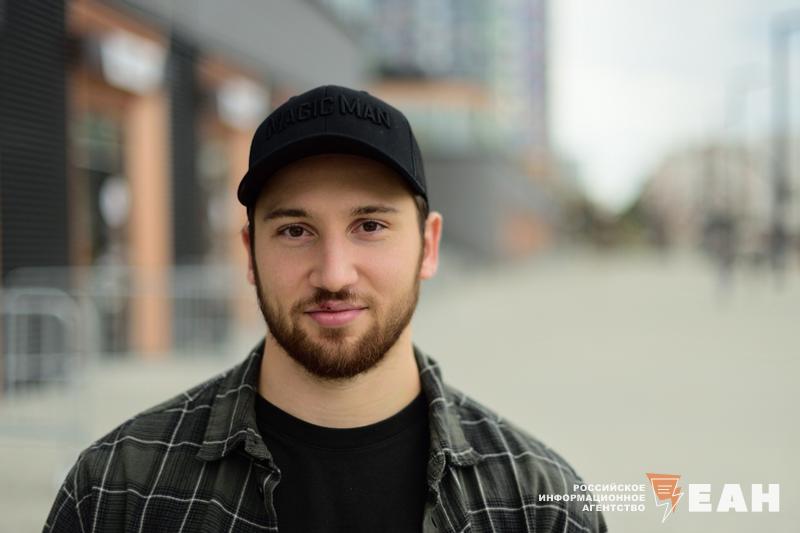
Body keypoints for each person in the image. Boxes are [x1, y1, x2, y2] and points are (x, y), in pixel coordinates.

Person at [44, 85, 608, 532]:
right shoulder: (119, 487)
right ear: (250, 253)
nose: (334, 274)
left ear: (429, 246)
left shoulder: (539, 504)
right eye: (295, 230)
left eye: (370, 225)